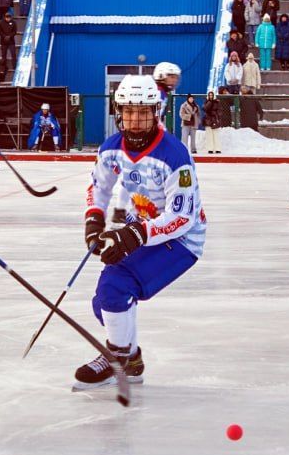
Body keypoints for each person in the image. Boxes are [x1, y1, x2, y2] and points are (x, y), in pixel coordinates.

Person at [74, 75, 205, 391]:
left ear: (156, 112)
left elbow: (183, 218)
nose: (134, 120)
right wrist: (95, 222)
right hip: (142, 229)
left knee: (115, 290)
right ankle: (130, 358)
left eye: (143, 112)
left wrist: (132, 236)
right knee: (104, 304)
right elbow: (100, 187)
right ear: (118, 112)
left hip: (181, 240)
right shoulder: (111, 149)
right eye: (128, 111)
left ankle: (118, 358)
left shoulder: (174, 156)